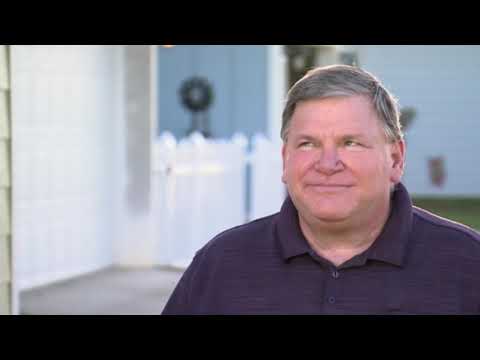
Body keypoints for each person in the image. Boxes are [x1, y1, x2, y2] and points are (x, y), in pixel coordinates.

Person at [162, 64, 480, 315]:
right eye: (308, 144)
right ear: (286, 159)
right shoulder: (221, 265)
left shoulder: (467, 264)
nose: (327, 163)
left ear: (395, 158)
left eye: (350, 143)